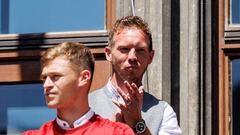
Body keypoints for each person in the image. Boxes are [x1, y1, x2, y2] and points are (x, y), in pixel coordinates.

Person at [89, 16, 182, 135]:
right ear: (109, 54)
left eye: (140, 50)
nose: (132, 57)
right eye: (124, 49)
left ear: (150, 57)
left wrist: (137, 123)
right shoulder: (85, 106)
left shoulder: (163, 112)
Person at [22, 42, 135, 135]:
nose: (46, 85)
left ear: (83, 77)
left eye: (55, 76)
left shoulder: (117, 133)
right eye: (44, 78)